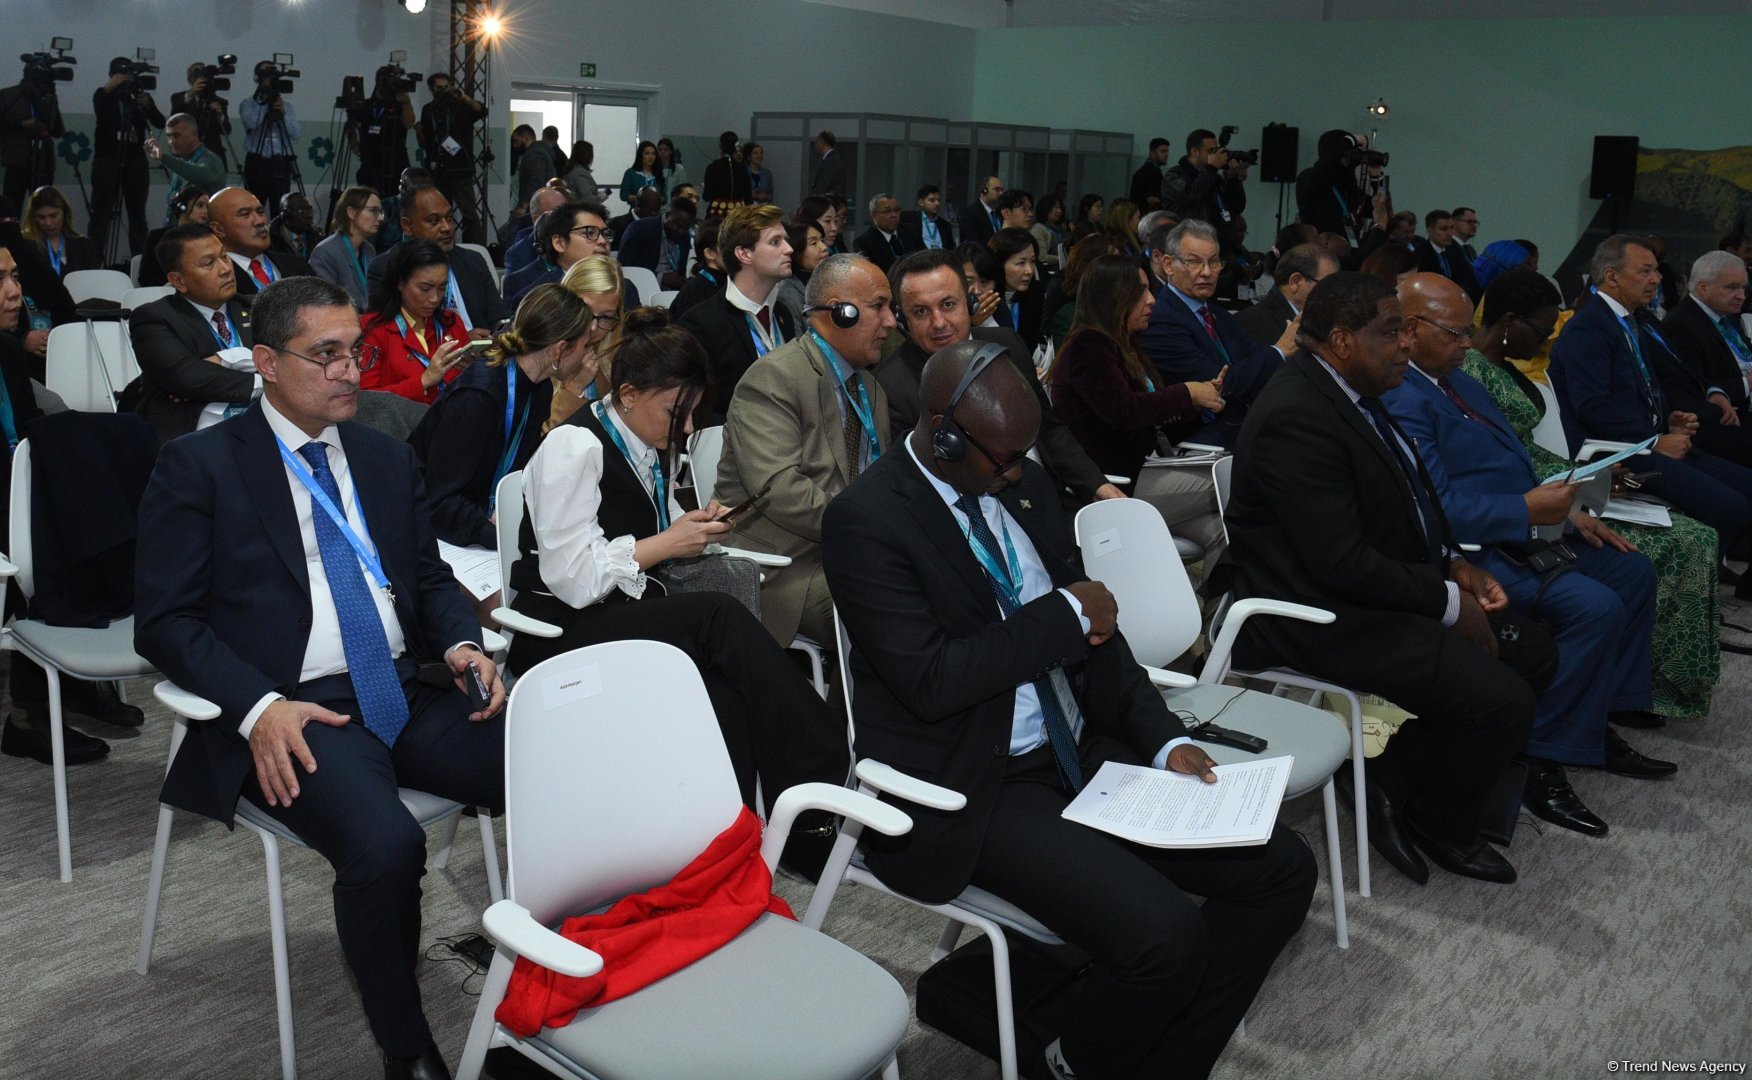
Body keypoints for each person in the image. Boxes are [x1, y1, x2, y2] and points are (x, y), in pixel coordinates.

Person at [822, 341, 1316, 1080]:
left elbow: (1101, 638)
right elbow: (932, 678)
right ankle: (1078, 1061)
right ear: (942, 431)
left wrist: (1160, 739)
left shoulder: (1025, 484)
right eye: (1003, 458)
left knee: (1281, 869)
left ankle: (1156, 1062)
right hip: (976, 782)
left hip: (1078, 746)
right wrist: (1059, 616)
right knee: (1165, 937)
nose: (1020, 471)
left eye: (1026, 453)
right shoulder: (866, 521)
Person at [134, 275, 506, 1080]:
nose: (349, 372)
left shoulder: (381, 453)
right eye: (326, 355)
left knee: (555, 762)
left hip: (408, 685)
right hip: (299, 708)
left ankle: (568, 974)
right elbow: (165, 622)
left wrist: (462, 643)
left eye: (357, 353)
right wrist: (258, 706)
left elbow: (429, 577)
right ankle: (405, 1050)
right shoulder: (197, 465)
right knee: (385, 846)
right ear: (265, 361)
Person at [1210, 271, 1557, 886]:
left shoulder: (1353, 392)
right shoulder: (1299, 415)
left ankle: (1391, 778)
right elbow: (1339, 563)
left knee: (1531, 650)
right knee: (1505, 702)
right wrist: (1449, 602)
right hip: (1308, 615)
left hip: (1363, 590)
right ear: (1343, 340)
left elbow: (1411, 503)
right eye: (1391, 331)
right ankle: (1438, 820)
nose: (1406, 343)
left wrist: (1454, 564)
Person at [505, 308, 850, 815]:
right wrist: (668, 543)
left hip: (618, 610)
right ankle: (831, 756)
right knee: (716, 615)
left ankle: (757, 829)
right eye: (676, 411)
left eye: (693, 412)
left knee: (725, 691)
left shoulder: (645, 439)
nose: (687, 426)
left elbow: (647, 527)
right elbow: (574, 582)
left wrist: (699, 526)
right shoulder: (573, 448)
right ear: (626, 394)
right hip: (560, 628)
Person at [1385, 273, 1670, 838]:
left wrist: (1567, 512)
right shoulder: (1401, 394)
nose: (1469, 344)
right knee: (1593, 605)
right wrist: (1528, 511)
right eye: (1456, 333)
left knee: (1632, 571)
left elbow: (1513, 461)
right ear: (1410, 331)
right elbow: (1434, 504)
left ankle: (1591, 720)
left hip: (1525, 528)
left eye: (1469, 331)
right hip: (1474, 548)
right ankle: (1540, 759)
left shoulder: (1459, 380)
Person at [1467, 269, 1721, 722]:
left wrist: (1588, 475)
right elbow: (1497, 462)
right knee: (1676, 545)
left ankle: (1629, 694)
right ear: (1509, 322)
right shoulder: (1468, 373)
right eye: (1543, 331)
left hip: (1554, 485)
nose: (1547, 340)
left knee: (1677, 543)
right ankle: (1646, 689)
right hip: (1527, 503)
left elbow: (1525, 451)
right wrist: (1577, 485)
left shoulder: (1499, 371)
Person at [1548, 234, 1752, 591]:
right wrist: (1655, 439)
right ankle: (1682, 598)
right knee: (1730, 506)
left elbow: (1644, 386)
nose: (1657, 279)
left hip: (1651, 439)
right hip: (1619, 452)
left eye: (1656, 270)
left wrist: (1669, 418)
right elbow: (1592, 406)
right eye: (1645, 271)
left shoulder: (1630, 320)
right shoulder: (1589, 327)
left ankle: (1702, 587)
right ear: (1612, 277)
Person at [713, 253, 893, 647]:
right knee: (889, 613)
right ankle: (842, 711)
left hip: (848, 554)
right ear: (840, 312)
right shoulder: (774, 378)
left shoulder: (870, 388)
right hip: (784, 567)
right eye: (879, 306)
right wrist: (871, 533)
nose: (891, 322)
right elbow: (779, 490)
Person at [879, 248, 1119, 515]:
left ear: (970, 303)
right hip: (980, 514)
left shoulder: (1006, 344)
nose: (939, 323)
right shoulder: (892, 386)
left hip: (1051, 495)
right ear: (902, 319)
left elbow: (1049, 429)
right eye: (921, 311)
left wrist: (1096, 484)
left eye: (948, 304)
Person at [0, 242, 121, 767]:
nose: (14, 291)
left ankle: (65, 682)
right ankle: (31, 713)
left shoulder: (6, 350)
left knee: (94, 485)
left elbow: (27, 433)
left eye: (14, 276)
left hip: (10, 491)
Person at [1051, 253, 1228, 552]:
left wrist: (1199, 399)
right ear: (1113, 298)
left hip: (1149, 469)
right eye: (1140, 291)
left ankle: (1207, 600)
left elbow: (1148, 411)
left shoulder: (1125, 345)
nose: (1151, 300)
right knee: (1233, 480)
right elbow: (1124, 411)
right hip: (1118, 484)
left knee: (1225, 531)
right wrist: (1188, 393)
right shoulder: (1088, 346)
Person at [408, 282, 596, 548]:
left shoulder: (538, 388)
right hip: (434, 530)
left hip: (482, 518)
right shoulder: (478, 397)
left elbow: (520, 468)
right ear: (560, 349)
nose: (587, 355)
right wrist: (510, 537)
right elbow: (439, 503)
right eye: (585, 345)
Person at [1141, 220, 1299, 447]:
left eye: (1213, 261)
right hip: (1201, 440)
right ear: (1168, 265)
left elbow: (1254, 364)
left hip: (1244, 426)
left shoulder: (1218, 315)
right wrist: (1280, 350)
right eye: (1194, 262)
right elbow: (1221, 384)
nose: (1207, 272)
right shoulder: (1159, 320)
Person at [124, 224, 258, 443]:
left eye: (224, 257)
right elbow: (187, 378)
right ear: (178, 281)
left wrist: (221, 361)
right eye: (209, 263)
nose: (225, 268)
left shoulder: (256, 307)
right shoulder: (154, 318)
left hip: (259, 427)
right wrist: (267, 382)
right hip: (190, 436)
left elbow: (287, 361)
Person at [677, 203, 797, 417]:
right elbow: (694, 407)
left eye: (785, 240)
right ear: (744, 253)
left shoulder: (782, 314)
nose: (789, 249)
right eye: (775, 242)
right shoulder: (700, 323)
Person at [367, 184, 510, 333]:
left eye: (449, 217)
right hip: (425, 354)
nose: (446, 227)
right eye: (433, 221)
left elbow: (499, 319)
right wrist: (460, 342)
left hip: (483, 353)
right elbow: (386, 333)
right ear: (407, 226)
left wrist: (498, 337)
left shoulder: (473, 260)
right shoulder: (385, 267)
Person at [360, 238, 471, 404]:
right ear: (400, 283)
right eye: (425, 288)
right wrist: (424, 381)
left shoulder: (452, 322)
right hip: (400, 427)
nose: (434, 298)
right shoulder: (373, 329)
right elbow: (367, 401)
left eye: (442, 288)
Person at [1662, 250, 1751, 426]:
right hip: (1723, 419)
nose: (1741, 296)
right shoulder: (1681, 324)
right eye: (1732, 288)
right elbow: (1694, 388)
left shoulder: (1726, 315)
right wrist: (1747, 384)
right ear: (1703, 288)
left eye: (1743, 288)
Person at [89, 57, 165, 258]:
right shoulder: (104, 95)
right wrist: (112, 85)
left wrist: (147, 105)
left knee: (138, 215)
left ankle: (140, 262)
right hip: (107, 160)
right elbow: (100, 106)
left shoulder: (138, 97)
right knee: (101, 214)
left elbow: (160, 122)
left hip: (135, 162)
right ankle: (93, 262)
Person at [547, 255, 626, 430]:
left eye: (605, 317)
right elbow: (541, 445)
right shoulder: (538, 354)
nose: (592, 327)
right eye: (585, 311)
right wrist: (575, 387)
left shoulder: (616, 359)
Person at [416, 72, 488, 246]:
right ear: (431, 88)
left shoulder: (459, 106)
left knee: (470, 214)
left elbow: (482, 110)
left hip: (461, 168)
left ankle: (479, 250)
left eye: (445, 87)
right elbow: (426, 140)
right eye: (438, 87)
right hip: (438, 170)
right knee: (440, 214)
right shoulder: (428, 109)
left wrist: (462, 96)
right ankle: (443, 248)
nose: (442, 90)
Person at [501, 198, 612, 307]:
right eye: (590, 233)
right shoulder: (533, 297)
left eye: (606, 234)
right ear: (559, 243)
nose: (603, 241)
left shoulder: (623, 286)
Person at [209, 186, 314, 298]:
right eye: (245, 214)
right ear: (219, 229)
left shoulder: (297, 265)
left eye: (260, 212)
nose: (260, 221)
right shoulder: (214, 280)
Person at [1235, 242, 1339, 348]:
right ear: (1295, 282)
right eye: (1326, 285)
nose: (1331, 295)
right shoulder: (1252, 325)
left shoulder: (1320, 322)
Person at [238, 60, 300, 217]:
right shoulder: (248, 104)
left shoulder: (288, 107)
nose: (270, 79)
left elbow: (295, 133)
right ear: (258, 78)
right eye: (266, 75)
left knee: (281, 210)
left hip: (280, 164)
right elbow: (252, 122)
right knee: (253, 208)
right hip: (257, 163)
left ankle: (278, 239)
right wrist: (266, 104)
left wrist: (282, 113)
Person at [1161, 129, 1246, 240]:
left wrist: (1233, 180)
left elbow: (1238, 207)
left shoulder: (1214, 178)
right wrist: (1211, 169)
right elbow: (1190, 195)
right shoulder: (1173, 175)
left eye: (1216, 150)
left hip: (1217, 243)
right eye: (1210, 151)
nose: (1215, 155)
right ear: (1194, 152)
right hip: (1186, 242)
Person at [0, 63, 65, 208]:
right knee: (11, 208)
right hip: (17, 162)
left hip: (44, 161)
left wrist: (50, 125)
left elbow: (59, 131)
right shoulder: (8, 95)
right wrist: (22, 124)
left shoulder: (48, 96)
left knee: (44, 208)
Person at [309, 186, 384, 309]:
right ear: (352, 213)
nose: (380, 218)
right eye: (374, 211)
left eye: (380, 212)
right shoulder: (325, 252)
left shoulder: (369, 249)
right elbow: (324, 303)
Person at [145, 113, 225, 227]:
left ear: (194, 135)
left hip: (201, 233)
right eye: (169, 136)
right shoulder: (183, 159)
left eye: (177, 136)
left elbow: (200, 174)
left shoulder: (210, 159)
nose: (171, 141)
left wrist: (164, 158)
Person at [1042, 234, 1119, 351]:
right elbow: (1069, 362)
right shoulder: (1069, 317)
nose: (1122, 268)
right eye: (1113, 263)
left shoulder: (1123, 305)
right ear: (1092, 270)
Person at [349, 67, 415, 198]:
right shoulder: (367, 104)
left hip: (396, 162)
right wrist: (354, 143)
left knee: (397, 204)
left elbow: (409, 123)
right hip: (370, 162)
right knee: (369, 201)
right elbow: (350, 123)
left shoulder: (400, 104)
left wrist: (406, 102)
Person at [1293, 129, 1364, 242]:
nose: (1349, 158)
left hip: (1346, 250)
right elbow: (1325, 166)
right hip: (1320, 251)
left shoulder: (1345, 184)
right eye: (1346, 154)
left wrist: (1376, 176)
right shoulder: (1308, 177)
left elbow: (1373, 207)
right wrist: (1351, 140)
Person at [617, 195, 696, 290]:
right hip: (643, 290)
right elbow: (625, 270)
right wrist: (660, 277)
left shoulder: (684, 237)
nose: (681, 232)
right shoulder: (639, 230)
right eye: (678, 226)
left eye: (686, 229)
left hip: (673, 292)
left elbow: (680, 271)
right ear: (667, 215)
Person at [138, 185, 209, 287]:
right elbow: (146, 277)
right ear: (182, 207)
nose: (205, 211)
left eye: (207, 207)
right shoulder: (157, 237)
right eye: (200, 205)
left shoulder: (208, 239)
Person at [20, 186, 96, 278]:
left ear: (65, 213)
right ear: (33, 218)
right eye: (41, 217)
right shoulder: (26, 246)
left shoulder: (84, 246)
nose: (48, 223)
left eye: (53, 216)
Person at [169, 61, 231, 167]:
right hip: (187, 156)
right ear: (190, 79)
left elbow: (226, 130)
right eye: (197, 73)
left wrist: (220, 114)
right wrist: (191, 93)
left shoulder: (220, 102)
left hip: (213, 157)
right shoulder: (179, 98)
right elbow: (175, 115)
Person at [990, 226, 1043, 348]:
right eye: (1021, 263)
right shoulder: (987, 298)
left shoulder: (1035, 293)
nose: (1029, 271)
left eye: (1033, 261)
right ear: (999, 264)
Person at [501, 185, 569, 280]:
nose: (565, 218)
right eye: (557, 213)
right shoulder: (518, 254)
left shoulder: (577, 240)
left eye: (567, 212)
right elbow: (515, 291)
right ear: (537, 219)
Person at [1412, 210, 1481, 302]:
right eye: (1444, 229)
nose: (1449, 233)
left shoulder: (1456, 250)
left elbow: (1469, 279)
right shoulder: (1420, 255)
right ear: (1430, 231)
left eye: (1451, 228)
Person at [773, 218, 827, 329]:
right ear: (795, 250)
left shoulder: (827, 279)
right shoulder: (786, 293)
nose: (824, 247)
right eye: (814, 243)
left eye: (822, 240)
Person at [668, 217, 726, 320]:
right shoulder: (696, 293)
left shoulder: (727, 282)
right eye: (728, 246)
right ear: (709, 253)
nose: (739, 252)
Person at [852, 192, 910, 273]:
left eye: (896, 210)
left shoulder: (910, 232)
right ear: (873, 216)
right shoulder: (863, 242)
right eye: (887, 211)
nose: (894, 215)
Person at [515, 124, 564, 211]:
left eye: (516, 141)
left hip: (536, 206)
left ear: (525, 138)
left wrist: (523, 206)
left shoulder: (534, 155)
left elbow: (535, 181)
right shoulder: (541, 152)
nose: (515, 145)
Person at [899, 184, 955, 251]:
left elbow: (951, 248)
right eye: (932, 200)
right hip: (919, 258)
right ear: (921, 202)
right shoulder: (909, 219)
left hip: (941, 259)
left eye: (938, 200)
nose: (937, 203)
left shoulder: (945, 225)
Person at [269, 191, 322, 260]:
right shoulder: (270, 240)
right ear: (285, 215)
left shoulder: (317, 237)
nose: (309, 215)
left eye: (310, 210)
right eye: (301, 211)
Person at [962, 175, 1005, 247]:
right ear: (984, 191)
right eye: (997, 190)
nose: (1001, 193)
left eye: (1002, 190)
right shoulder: (971, 213)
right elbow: (973, 243)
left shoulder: (1001, 213)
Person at [1130, 136, 1170, 209]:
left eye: (1167, 151)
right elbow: (1152, 199)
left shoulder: (1146, 171)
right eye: (1163, 151)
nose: (1166, 155)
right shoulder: (1151, 173)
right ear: (1152, 153)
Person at [619, 140, 662, 204]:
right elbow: (623, 195)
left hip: (655, 212)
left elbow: (664, 198)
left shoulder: (659, 173)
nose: (650, 157)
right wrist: (641, 198)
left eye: (653, 154)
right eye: (647, 153)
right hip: (636, 211)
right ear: (640, 155)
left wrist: (656, 198)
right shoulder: (631, 173)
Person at [1031, 194, 1066, 270]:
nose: (1059, 211)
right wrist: (1062, 259)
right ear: (1046, 208)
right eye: (1056, 207)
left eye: (1060, 208)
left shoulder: (1060, 229)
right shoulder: (1039, 229)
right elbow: (1041, 257)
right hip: (1048, 272)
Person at [809, 129, 847, 199]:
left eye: (817, 142)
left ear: (822, 142)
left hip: (828, 203)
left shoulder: (831, 161)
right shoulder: (832, 159)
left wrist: (815, 199)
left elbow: (823, 186)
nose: (815, 145)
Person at [561, 139, 598, 203]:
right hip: (582, 209)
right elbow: (587, 198)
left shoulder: (570, 169)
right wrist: (599, 198)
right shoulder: (580, 173)